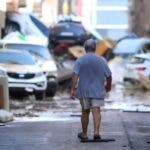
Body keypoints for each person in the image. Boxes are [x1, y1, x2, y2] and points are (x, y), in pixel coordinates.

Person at [70, 39, 112, 140]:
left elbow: (75, 75)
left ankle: (84, 134)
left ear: (85, 48)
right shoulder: (102, 60)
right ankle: (96, 132)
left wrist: (72, 89)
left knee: (85, 111)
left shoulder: (80, 60)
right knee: (96, 110)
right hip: (98, 90)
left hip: (84, 90)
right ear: (95, 48)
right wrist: (108, 86)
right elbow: (109, 76)